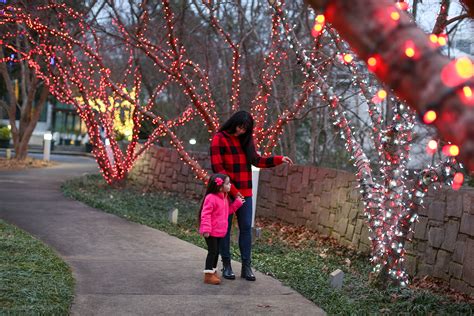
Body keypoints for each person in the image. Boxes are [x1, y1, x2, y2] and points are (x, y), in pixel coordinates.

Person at [210, 110, 293, 281]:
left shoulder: (247, 140)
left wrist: (278, 159)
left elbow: (257, 160)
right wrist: (232, 190)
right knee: (224, 229)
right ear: (234, 123)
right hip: (226, 193)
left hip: (245, 193)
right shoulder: (220, 138)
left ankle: (246, 266)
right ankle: (226, 265)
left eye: (245, 129)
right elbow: (218, 168)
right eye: (240, 127)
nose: (241, 131)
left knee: (246, 228)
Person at [199, 173, 245, 285]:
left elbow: (227, 212)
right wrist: (206, 229)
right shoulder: (211, 198)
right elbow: (205, 214)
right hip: (211, 232)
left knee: (216, 252)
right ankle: (208, 275)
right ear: (220, 186)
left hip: (219, 231)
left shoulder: (224, 198)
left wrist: (237, 204)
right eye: (228, 183)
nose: (230, 185)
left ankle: (212, 271)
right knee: (212, 251)